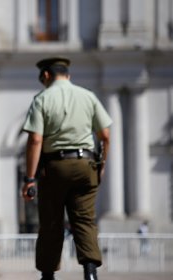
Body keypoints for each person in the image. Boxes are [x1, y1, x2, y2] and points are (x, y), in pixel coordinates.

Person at [21, 57, 112, 280]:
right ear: (68, 75)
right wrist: (101, 166)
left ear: (45, 76)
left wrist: (29, 179)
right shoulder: (88, 96)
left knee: (51, 223)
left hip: (55, 167)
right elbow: (105, 136)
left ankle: (48, 276)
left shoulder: (41, 99)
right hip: (86, 165)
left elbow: (35, 140)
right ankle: (90, 274)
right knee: (85, 221)